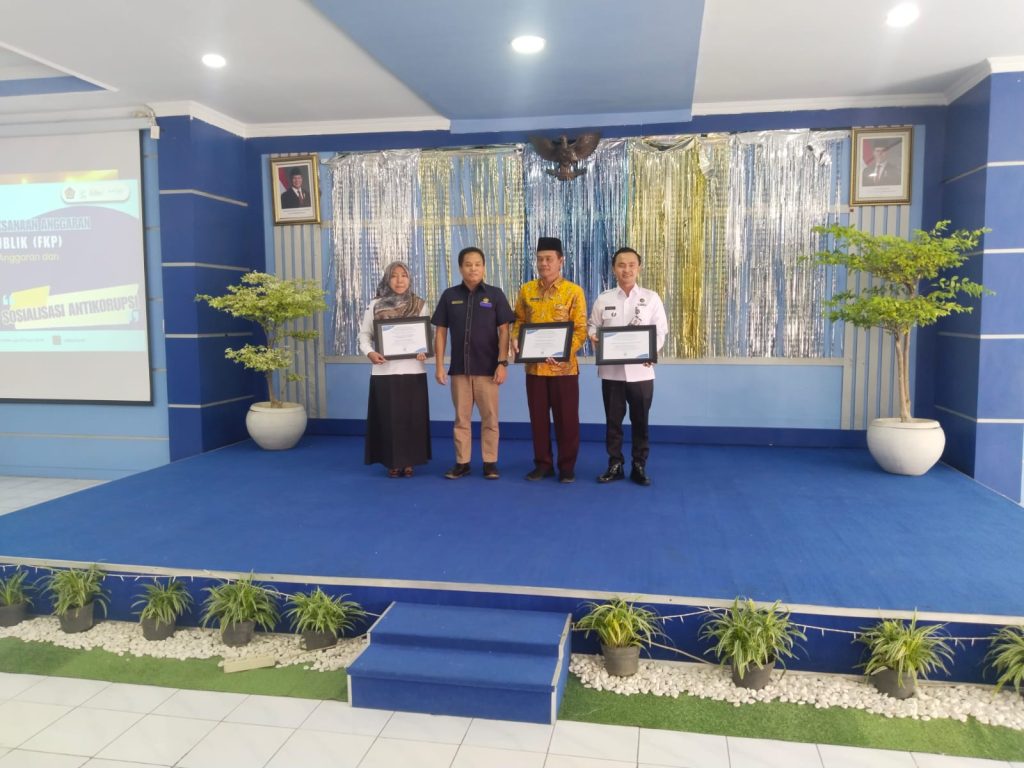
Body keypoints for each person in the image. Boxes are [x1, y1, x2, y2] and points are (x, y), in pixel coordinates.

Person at [432, 247, 515, 480]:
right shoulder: (449, 296)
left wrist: (502, 363)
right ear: (460, 268)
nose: (473, 268)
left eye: (478, 264)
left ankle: (490, 463)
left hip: (488, 370)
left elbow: (504, 331)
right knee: (461, 419)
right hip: (460, 370)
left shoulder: (495, 295)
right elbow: (440, 333)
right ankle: (462, 463)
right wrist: (438, 366)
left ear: (484, 267)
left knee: (490, 419)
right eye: (468, 264)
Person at [588, 247, 668, 486]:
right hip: (611, 373)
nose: (627, 270)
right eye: (621, 265)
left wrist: (651, 351)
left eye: (632, 265)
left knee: (640, 421)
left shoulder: (651, 298)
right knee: (613, 422)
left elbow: (660, 331)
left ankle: (639, 464)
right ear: (614, 269)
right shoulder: (604, 298)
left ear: (639, 268)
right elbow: (592, 326)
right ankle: (615, 463)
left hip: (641, 372)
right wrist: (594, 336)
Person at [511, 236, 588, 483]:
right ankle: (543, 464)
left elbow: (581, 330)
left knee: (567, 420)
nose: (544, 263)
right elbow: (519, 321)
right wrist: (515, 338)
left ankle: (567, 466)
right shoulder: (526, 290)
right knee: (538, 420)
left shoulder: (573, 292)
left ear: (560, 261)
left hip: (564, 369)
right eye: (540, 259)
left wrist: (564, 352)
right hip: (535, 369)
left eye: (549, 259)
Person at [358, 261, 431, 478]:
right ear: (387, 279)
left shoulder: (420, 304)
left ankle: (409, 461)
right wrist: (370, 352)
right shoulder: (375, 304)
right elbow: (364, 335)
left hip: (414, 370)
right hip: (384, 371)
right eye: (394, 276)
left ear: (410, 279)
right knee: (388, 419)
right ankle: (391, 461)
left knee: (412, 418)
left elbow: (428, 335)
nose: (399, 280)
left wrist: (425, 352)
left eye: (404, 275)